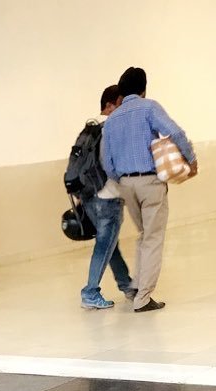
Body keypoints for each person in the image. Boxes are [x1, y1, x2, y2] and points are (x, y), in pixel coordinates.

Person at [102, 67, 198, 312]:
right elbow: (175, 132)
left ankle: (136, 285)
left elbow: (107, 161)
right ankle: (143, 298)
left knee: (144, 234)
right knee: (153, 238)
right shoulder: (149, 107)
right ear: (143, 89)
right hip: (150, 182)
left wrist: (122, 179)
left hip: (126, 183)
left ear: (122, 92)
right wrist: (191, 159)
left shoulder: (111, 120)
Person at [80, 84, 135, 309]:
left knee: (110, 243)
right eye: (121, 104)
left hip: (89, 196)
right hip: (108, 196)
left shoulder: (90, 128)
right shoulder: (111, 128)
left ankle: (126, 285)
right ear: (110, 105)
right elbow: (111, 164)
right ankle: (90, 292)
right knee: (105, 244)